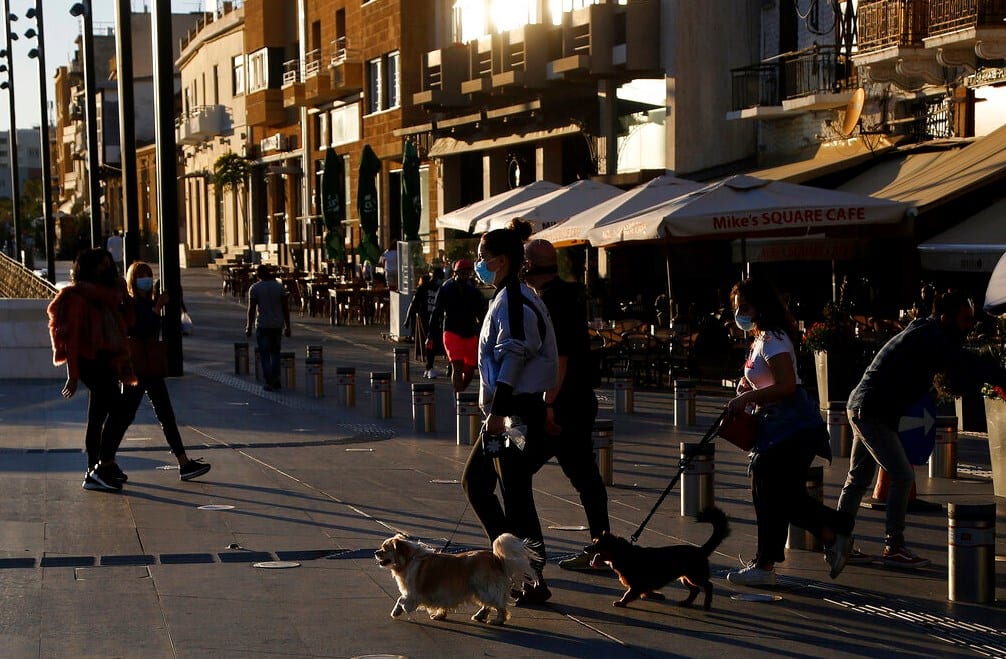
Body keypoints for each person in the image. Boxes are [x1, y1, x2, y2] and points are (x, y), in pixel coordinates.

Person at [837, 289, 1006, 568]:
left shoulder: (925, 331)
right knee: (902, 475)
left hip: (864, 405)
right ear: (945, 318)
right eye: (965, 320)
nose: (969, 326)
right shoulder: (932, 336)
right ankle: (894, 546)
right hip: (871, 412)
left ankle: (838, 540)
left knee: (857, 480)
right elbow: (965, 363)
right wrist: (1000, 377)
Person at [724, 277, 855, 587]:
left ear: (759, 306)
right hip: (779, 427)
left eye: (744, 306)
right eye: (735, 307)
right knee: (781, 495)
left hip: (791, 428)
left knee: (769, 490)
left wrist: (747, 397)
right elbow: (770, 380)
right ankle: (832, 535)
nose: (739, 313)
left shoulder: (773, 339)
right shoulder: (761, 337)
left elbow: (786, 385)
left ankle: (769, 562)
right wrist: (749, 385)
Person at [461, 221, 557, 605]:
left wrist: (499, 411)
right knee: (477, 483)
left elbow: (515, 351)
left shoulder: (515, 298)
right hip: (509, 411)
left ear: (501, 261)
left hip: (515, 412)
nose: (478, 263)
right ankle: (509, 561)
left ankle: (531, 575)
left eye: (483, 257)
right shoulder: (507, 296)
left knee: (516, 497)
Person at [522, 238, 610, 572]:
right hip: (576, 402)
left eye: (524, 260)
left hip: (560, 407)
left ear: (531, 265)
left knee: (515, 473)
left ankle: (527, 557)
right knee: (586, 478)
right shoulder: (561, 296)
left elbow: (560, 358)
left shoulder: (553, 301)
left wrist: (548, 404)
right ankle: (601, 549)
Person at [47, 247, 137, 492]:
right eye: (101, 264)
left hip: (107, 361)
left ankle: (97, 468)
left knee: (97, 416)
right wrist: (73, 376)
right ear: (88, 268)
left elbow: (128, 323)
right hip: (89, 362)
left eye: (109, 263)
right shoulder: (77, 297)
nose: (107, 268)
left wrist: (125, 298)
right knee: (121, 410)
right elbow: (72, 339)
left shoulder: (108, 296)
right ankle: (102, 465)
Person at [122, 262, 211, 481]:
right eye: (141, 275)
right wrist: (157, 307)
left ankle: (184, 462)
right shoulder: (132, 303)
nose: (146, 279)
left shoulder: (149, 301)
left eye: (148, 275)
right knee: (123, 416)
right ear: (132, 279)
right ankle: (104, 460)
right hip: (138, 366)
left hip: (151, 367)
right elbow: (141, 329)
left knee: (166, 415)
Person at [431, 259, 486, 392]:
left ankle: (460, 393)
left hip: (470, 332)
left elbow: (481, 313)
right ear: (455, 273)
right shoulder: (446, 288)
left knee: (470, 370)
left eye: (467, 272)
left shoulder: (473, 290)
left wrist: (484, 329)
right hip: (452, 331)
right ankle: (460, 399)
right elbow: (437, 311)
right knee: (458, 366)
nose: (465, 275)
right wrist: (431, 334)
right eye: (462, 272)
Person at [246, 264, 291, 391]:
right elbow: (285, 308)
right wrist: (288, 326)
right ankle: (276, 378)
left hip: (263, 325)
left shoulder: (255, 288)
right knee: (275, 353)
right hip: (277, 325)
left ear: (259, 274)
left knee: (265, 354)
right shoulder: (279, 287)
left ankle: (269, 380)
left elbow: (251, 310)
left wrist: (248, 327)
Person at [404, 269, 444, 378]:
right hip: (425, 319)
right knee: (430, 341)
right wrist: (407, 319)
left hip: (438, 319)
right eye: (439, 278)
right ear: (434, 277)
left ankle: (430, 367)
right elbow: (414, 303)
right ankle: (429, 366)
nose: (440, 281)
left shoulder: (442, 289)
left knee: (437, 342)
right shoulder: (424, 287)